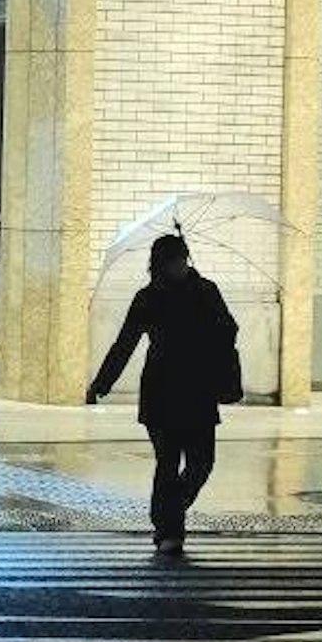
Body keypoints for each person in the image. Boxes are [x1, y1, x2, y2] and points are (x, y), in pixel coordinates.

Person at [88, 231, 242, 558]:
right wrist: (101, 383)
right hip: (162, 390)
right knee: (168, 462)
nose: (179, 266)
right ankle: (170, 529)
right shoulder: (149, 298)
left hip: (198, 390)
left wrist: (210, 326)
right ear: (160, 264)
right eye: (173, 261)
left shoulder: (206, 291)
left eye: (182, 259)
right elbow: (125, 343)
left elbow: (230, 329)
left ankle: (170, 514)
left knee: (202, 462)